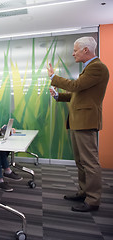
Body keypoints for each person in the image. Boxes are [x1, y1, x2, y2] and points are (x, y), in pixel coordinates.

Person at [47, 36, 109, 212]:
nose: (73, 53)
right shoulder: (89, 69)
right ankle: (84, 192)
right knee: (81, 161)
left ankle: (93, 199)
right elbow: (77, 94)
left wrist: (53, 77)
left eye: (75, 50)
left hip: (85, 121)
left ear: (86, 50)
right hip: (78, 121)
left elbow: (75, 86)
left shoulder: (97, 67)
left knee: (89, 162)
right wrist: (58, 96)